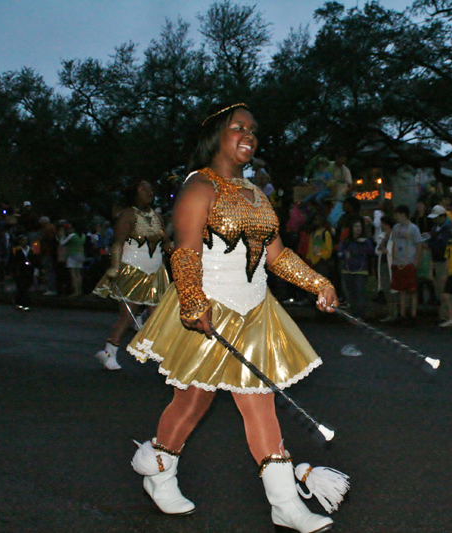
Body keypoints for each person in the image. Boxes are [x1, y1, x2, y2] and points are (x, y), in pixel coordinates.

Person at [125, 103, 345, 532]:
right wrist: (191, 299)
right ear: (216, 136)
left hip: (254, 311)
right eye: (237, 128)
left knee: (260, 404)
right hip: (209, 305)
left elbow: (275, 254)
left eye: (253, 129)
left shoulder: (256, 194)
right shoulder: (198, 187)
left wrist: (318, 283)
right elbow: (185, 251)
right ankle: (160, 470)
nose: (248, 135)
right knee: (191, 400)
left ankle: (285, 505)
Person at [91, 180, 171, 370]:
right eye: (144, 188)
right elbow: (118, 243)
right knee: (127, 316)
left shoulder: (158, 217)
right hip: (133, 269)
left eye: (151, 188)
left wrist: (182, 252)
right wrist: (115, 266)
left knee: (158, 316)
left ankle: (164, 357)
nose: (149, 191)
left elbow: (165, 242)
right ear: (135, 193)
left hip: (155, 271)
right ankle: (109, 353)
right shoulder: (127, 215)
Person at [390, 204, 422, 323]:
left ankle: (413, 315)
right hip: (399, 262)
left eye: (397, 214)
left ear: (403, 214)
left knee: (412, 290)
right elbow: (394, 243)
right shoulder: (395, 228)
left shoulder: (413, 228)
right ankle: (402, 315)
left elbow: (419, 244)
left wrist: (416, 261)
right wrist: (394, 259)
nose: (396, 217)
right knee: (401, 290)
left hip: (409, 262)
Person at [337, 218, 374, 319]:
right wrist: (345, 254)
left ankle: (360, 315)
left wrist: (366, 242)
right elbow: (339, 253)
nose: (358, 229)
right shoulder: (346, 241)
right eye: (356, 226)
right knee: (351, 294)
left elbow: (371, 252)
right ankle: (354, 314)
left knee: (360, 293)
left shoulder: (365, 241)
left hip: (361, 271)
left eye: (360, 227)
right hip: (347, 270)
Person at [59, 222, 85, 297]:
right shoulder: (83, 236)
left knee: (73, 273)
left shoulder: (72, 235)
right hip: (81, 255)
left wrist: (62, 236)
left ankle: (75, 291)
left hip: (72, 255)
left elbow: (62, 243)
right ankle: (79, 290)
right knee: (79, 274)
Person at [10, 234, 35, 310]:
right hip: (19, 271)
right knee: (21, 286)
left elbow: (35, 259)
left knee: (26, 286)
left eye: (25, 240)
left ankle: (19, 301)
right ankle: (24, 303)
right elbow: (12, 261)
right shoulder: (16, 250)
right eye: (22, 240)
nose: (24, 242)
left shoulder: (31, 250)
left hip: (29, 271)